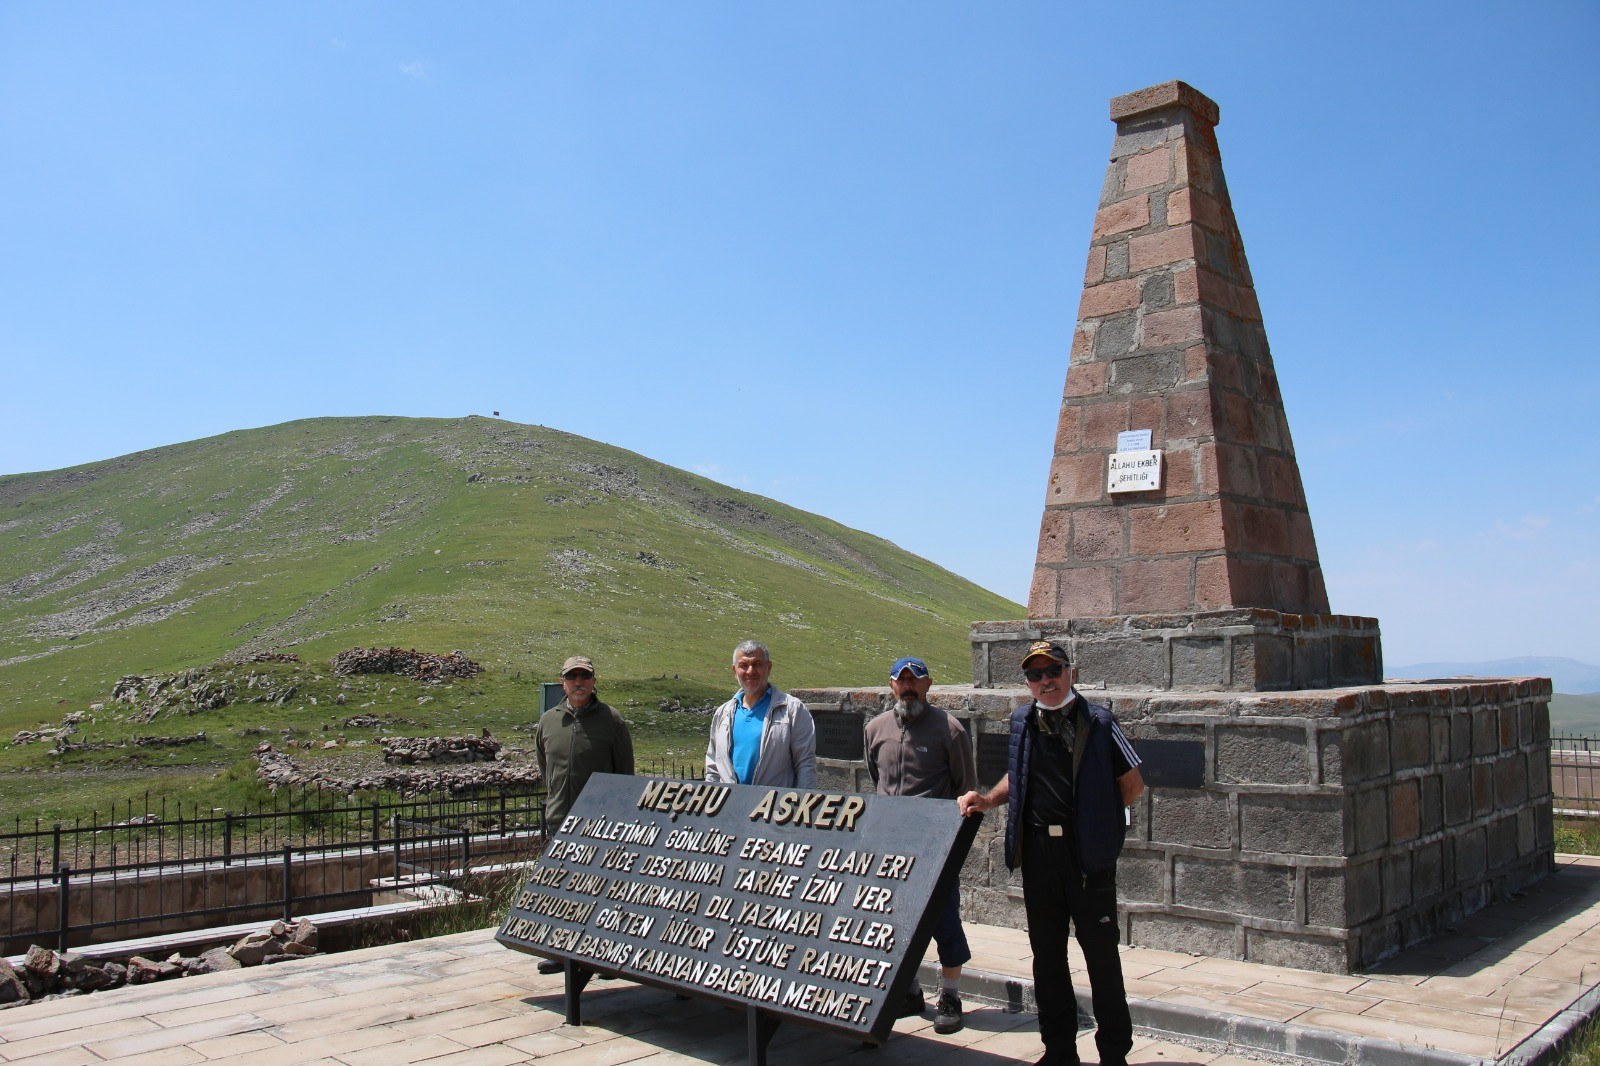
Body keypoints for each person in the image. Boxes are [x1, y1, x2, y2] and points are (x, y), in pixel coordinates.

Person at [958, 641, 1145, 1066]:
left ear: (1070, 673)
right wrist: (987, 800)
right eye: (1035, 675)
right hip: (1040, 854)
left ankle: (1114, 1054)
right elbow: (1019, 778)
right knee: (1047, 958)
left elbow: (1132, 785)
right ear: (1028, 682)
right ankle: (1059, 1051)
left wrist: (1102, 828)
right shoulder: (1023, 720)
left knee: (1101, 958)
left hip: (1086, 860)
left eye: (1053, 671)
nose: (1046, 681)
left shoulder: (1098, 721)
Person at [864, 656, 976, 1035]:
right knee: (895, 924)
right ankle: (909, 993)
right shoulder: (874, 729)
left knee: (945, 922)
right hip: (889, 848)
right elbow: (875, 778)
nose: (908, 687)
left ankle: (951, 995)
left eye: (916, 680)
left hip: (935, 850)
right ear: (891, 685)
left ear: (928, 685)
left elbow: (967, 792)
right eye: (901, 681)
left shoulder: (951, 730)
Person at [535, 654, 634, 975]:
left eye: (584, 677)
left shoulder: (612, 720)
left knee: (603, 890)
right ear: (562, 682)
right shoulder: (549, 721)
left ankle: (604, 954)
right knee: (561, 887)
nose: (578, 682)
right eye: (572, 677)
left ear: (593, 682)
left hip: (599, 825)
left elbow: (624, 773)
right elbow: (544, 767)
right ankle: (561, 951)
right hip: (558, 820)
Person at [704, 640, 817, 788]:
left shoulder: (792, 710)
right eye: (743, 666)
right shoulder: (723, 713)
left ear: (768, 667)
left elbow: (805, 764)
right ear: (734, 670)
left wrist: (801, 805)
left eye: (757, 664)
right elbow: (713, 767)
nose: (750, 671)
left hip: (775, 807)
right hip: (728, 806)